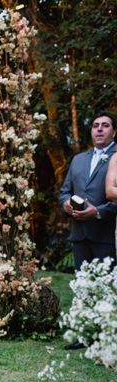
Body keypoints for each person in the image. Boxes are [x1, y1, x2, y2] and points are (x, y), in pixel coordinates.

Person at [60, 110, 117, 273]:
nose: (99, 129)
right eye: (95, 126)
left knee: (107, 291)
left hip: (108, 236)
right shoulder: (78, 160)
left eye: (105, 126)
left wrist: (98, 212)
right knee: (82, 290)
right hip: (79, 236)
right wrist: (66, 204)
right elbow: (65, 191)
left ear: (114, 132)